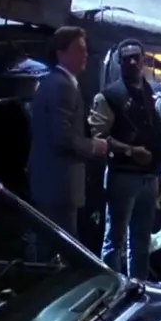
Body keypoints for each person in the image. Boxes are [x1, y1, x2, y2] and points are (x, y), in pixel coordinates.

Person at [89, 40, 161, 279]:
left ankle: (139, 286)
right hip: (123, 175)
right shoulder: (109, 96)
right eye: (127, 59)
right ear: (120, 62)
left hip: (150, 176)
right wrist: (131, 151)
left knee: (142, 240)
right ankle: (112, 287)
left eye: (136, 57)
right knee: (115, 239)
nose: (132, 62)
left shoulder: (156, 91)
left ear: (144, 59)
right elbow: (98, 136)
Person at [28, 26, 108, 238]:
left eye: (86, 49)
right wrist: (94, 146)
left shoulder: (50, 82)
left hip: (48, 183)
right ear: (61, 53)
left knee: (49, 244)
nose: (85, 54)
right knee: (63, 247)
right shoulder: (62, 86)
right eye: (79, 49)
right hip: (60, 185)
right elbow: (64, 136)